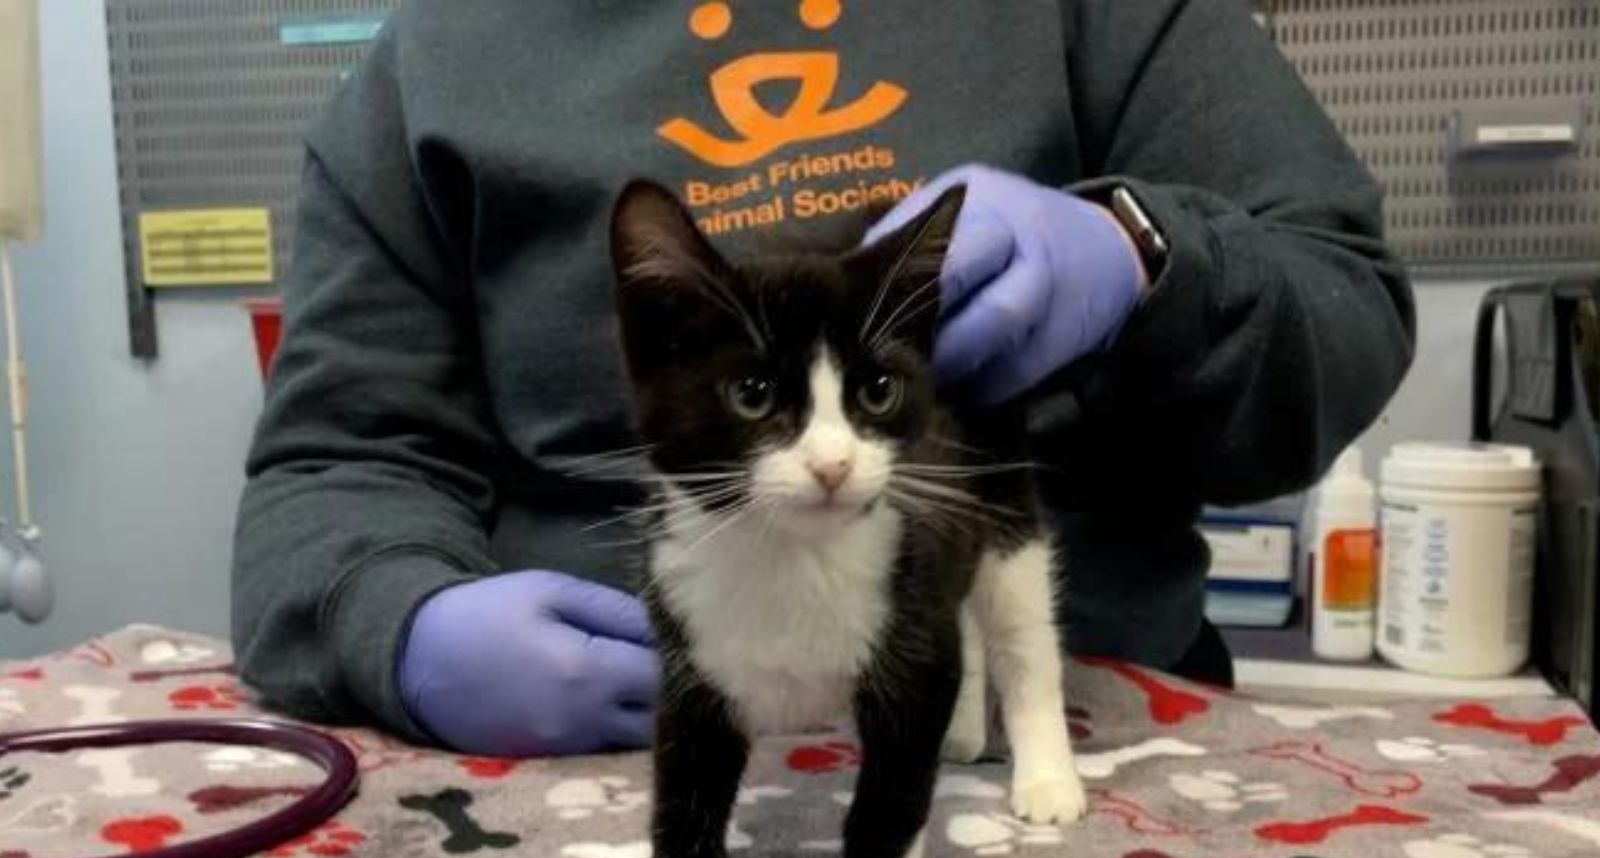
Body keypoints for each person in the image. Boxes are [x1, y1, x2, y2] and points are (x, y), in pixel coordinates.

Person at [231, 0, 1415, 758]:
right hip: (623, 758)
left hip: (1053, 741)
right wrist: (401, 625)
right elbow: (336, 464)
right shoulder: (428, 63)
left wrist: (1145, 259)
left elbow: (1343, 304)